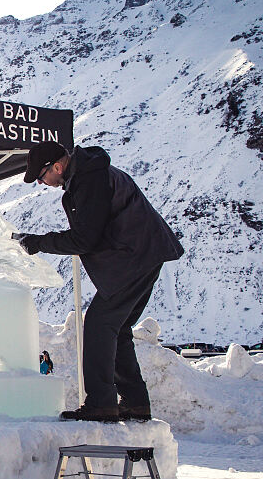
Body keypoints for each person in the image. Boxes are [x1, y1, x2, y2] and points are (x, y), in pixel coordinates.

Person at [15, 142, 183, 422]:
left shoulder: (89, 179)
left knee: (98, 326)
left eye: (42, 177)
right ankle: (136, 403)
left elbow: (85, 238)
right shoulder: (89, 173)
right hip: (142, 254)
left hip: (134, 256)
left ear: (56, 167)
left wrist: (37, 243)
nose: (43, 183)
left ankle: (101, 404)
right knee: (117, 328)